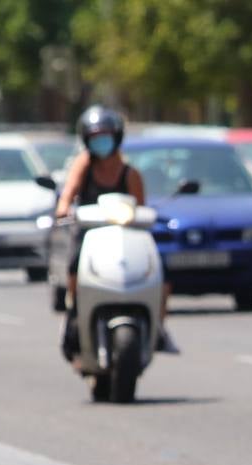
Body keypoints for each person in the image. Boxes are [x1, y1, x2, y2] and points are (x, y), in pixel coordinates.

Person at [56, 104, 178, 356]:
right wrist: (64, 209)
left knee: (161, 274)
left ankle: (158, 326)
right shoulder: (84, 166)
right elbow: (67, 195)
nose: (102, 143)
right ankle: (74, 312)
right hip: (91, 234)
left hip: (124, 236)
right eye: (96, 138)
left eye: (106, 137)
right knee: (74, 266)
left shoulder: (130, 173)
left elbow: (140, 210)